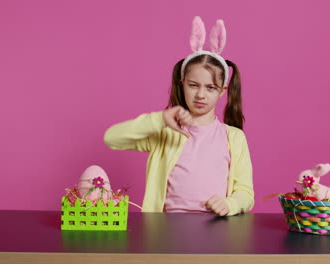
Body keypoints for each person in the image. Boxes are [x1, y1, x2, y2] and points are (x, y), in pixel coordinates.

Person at [103, 16, 254, 216]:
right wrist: (159, 120)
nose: (200, 94)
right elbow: (112, 138)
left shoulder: (234, 137)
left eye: (210, 87)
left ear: (222, 90)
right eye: (193, 85)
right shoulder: (165, 133)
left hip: (217, 229)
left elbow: (245, 193)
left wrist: (230, 204)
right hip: (167, 230)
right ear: (182, 83)